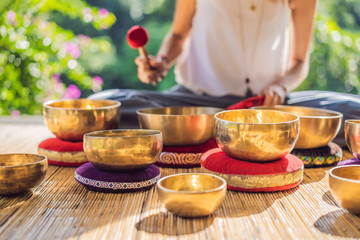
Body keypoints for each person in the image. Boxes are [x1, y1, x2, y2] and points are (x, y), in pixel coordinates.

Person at [90, 0, 360, 147]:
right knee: (103, 107)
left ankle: (207, 138)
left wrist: (281, 86)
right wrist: (161, 61)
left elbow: (300, 61)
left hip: (270, 110)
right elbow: (178, 34)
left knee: (354, 111)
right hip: (197, 106)